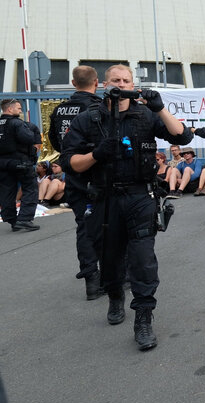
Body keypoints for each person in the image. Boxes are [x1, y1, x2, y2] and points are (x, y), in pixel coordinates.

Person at [63, 64, 194, 351]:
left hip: (139, 196)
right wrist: (96, 154)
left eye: (126, 80)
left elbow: (182, 137)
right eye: (115, 80)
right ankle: (114, 296)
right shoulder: (89, 119)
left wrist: (160, 108)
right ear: (103, 85)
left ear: (133, 83)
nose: (121, 84)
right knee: (108, 258)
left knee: (143, 259)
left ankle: (144, 318)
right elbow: (70, 163)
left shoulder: (145, 114)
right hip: (104, 199)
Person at [50, 65, 105, 299]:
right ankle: (114, 275)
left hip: (72, 174)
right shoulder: (99, 108)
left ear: (73, 83)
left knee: (84, 226)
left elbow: (54, 140)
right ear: (98, 83)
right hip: (98, 174)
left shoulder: (60, 109)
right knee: (109, 224)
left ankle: (91, 279)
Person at [0, 98, 41, 232]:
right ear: (10, 109)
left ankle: (11, 219)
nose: (20, 111)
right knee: (30, 187)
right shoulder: (17, 124)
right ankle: (24, 219)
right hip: (20, 161)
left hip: (3, 163)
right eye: (18, 108)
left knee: (7, 191)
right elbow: (28, 138)